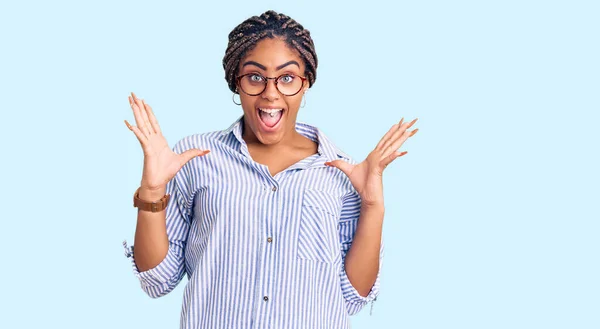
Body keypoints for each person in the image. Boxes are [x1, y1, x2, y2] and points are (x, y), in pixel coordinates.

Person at [123, 9, 418, 329]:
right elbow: (158, 281)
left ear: (306, 84)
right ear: (236, 83)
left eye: (287, 78)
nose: (271, 92)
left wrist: (372, 206)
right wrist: (152, 192)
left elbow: (351, 297)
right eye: (255, 77)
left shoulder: (342, 173)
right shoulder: (195, 158)